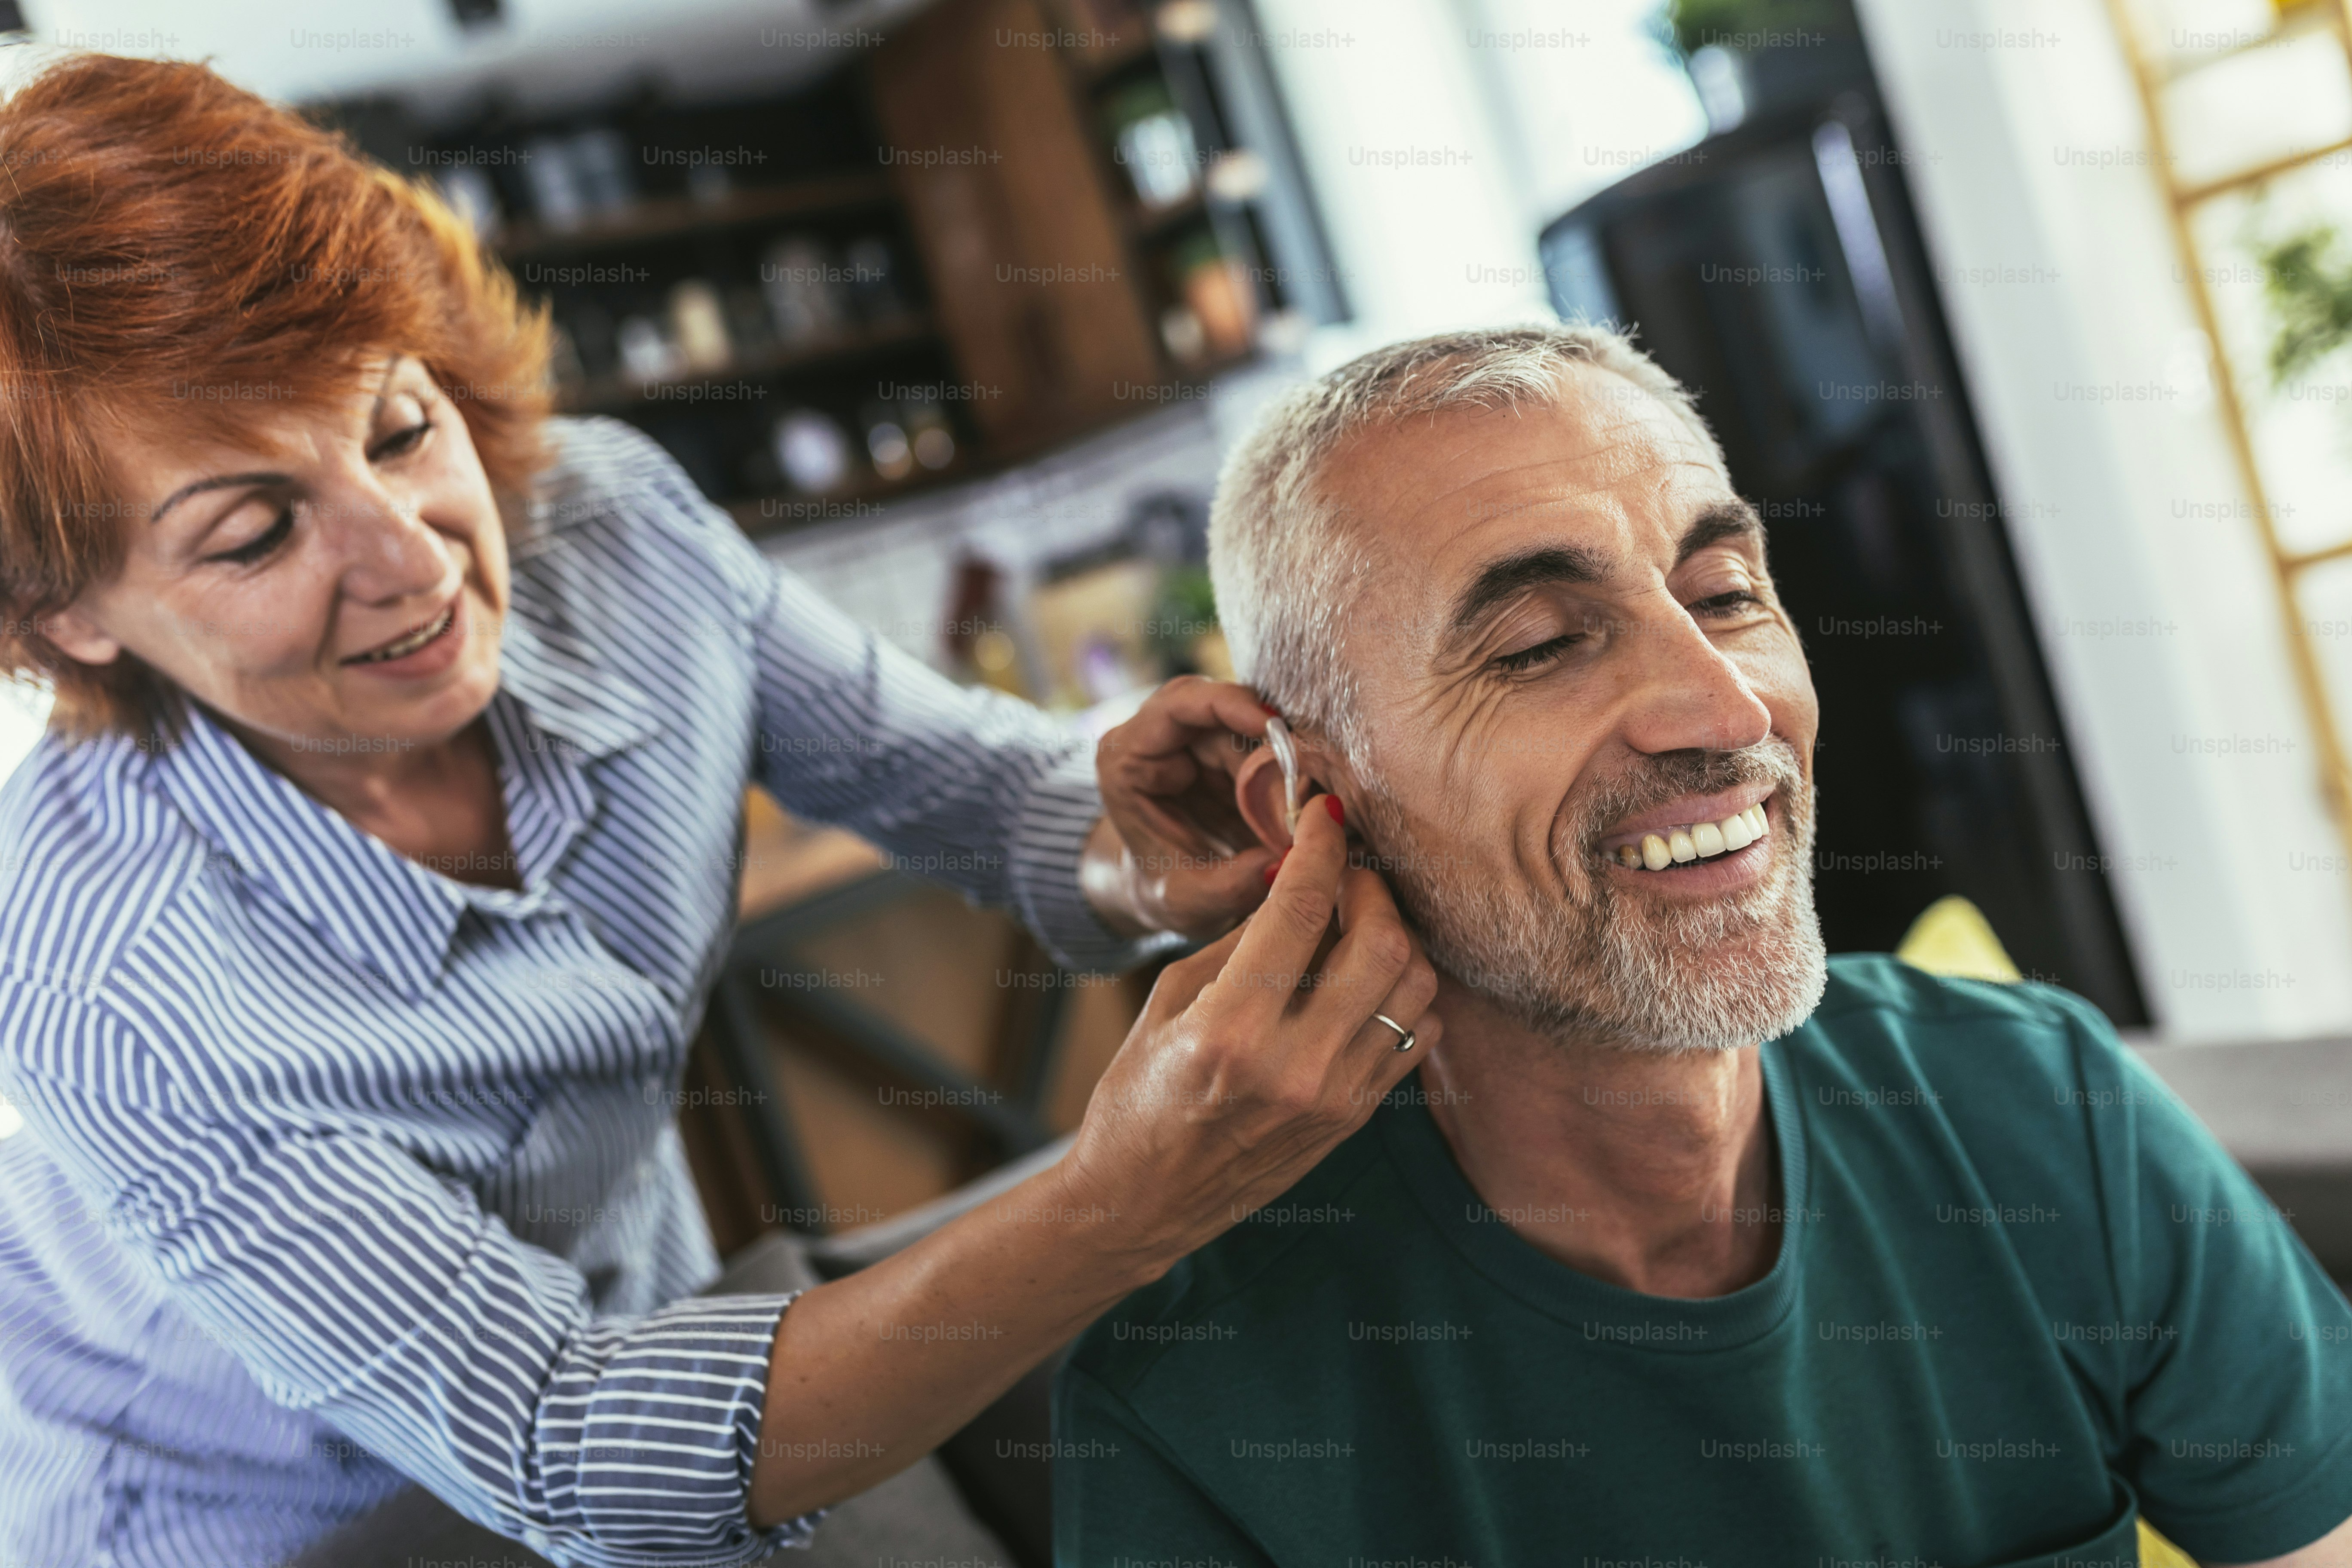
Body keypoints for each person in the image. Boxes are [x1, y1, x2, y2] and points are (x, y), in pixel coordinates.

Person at [0, 55, 1444, 1568]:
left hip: (644, 1339)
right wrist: (1132, 1198)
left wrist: (1139, 853)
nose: (415, 561)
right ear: (70, 617)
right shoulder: (105, 986)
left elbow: (973, 785)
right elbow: (566, 1451)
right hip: (276, 1513)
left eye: (398, 428)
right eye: (253, 532)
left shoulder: (614, 536)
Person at [1053, 323, 2352, 1568]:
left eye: (1724, 596)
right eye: (1541, 645)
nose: (1726, 707)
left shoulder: (2044, 1111)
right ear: (1311, 807)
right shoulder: (1206, 1412)